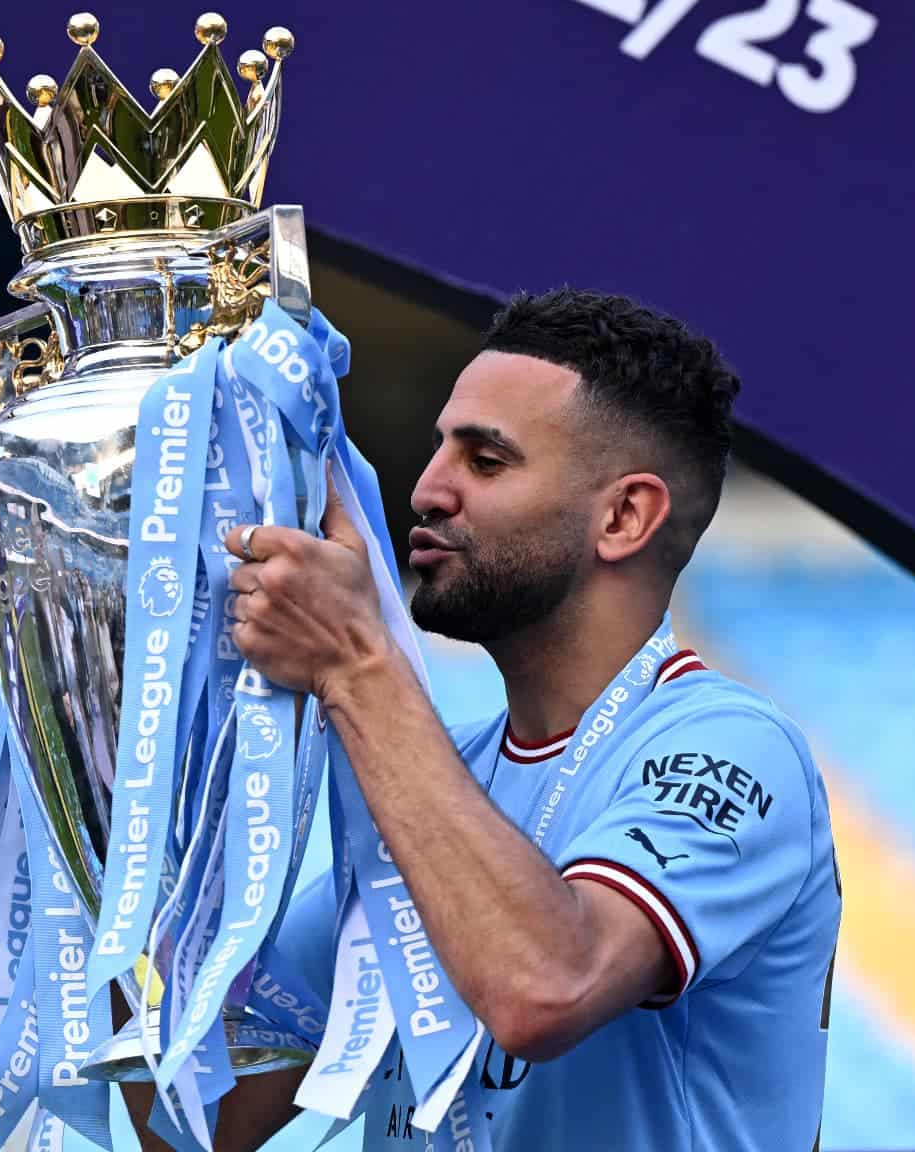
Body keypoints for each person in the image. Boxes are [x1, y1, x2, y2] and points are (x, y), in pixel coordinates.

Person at [209, 288, 842, 1150]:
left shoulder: (734, 749)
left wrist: (359, 665)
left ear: (623, 516)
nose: (427, 489)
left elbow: (546, 988)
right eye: (439, 450)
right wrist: (98, 749)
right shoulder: (442, 781)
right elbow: (198, 1121)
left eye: (486, 461)